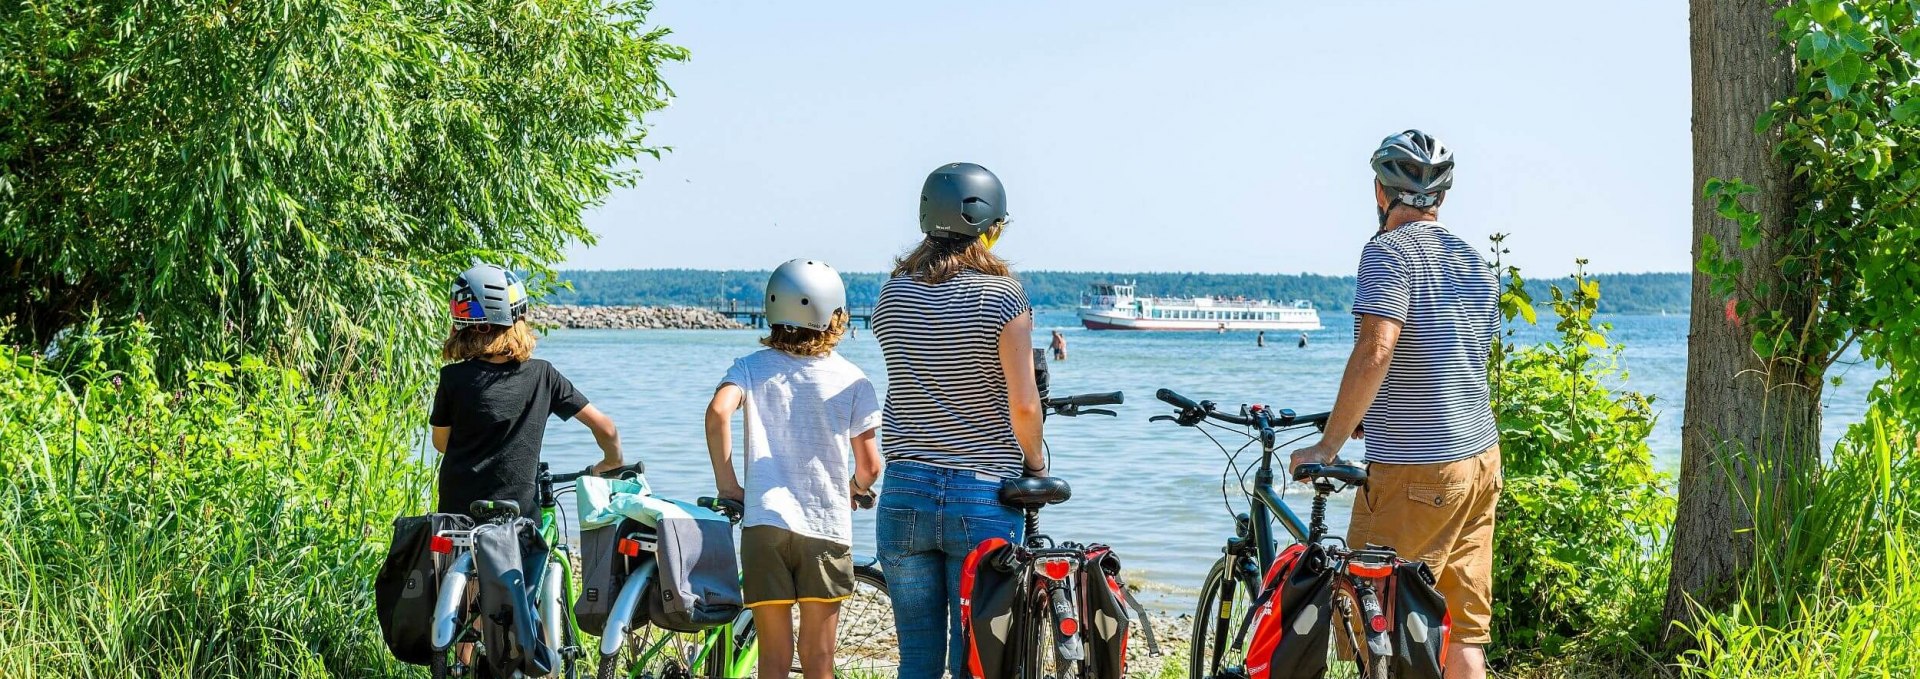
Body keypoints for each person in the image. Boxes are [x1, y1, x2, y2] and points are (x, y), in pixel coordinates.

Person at [1289, 130, 1501, 679]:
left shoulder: (1385, 252)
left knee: (1372, 619)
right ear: (1443, 199)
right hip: (1478, 457)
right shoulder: (1475, 260)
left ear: (1380, 192)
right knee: (1460, 627)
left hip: (1418, 469)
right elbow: (1460, 356)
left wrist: (1329, 443)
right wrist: (1371, 414)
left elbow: (1377, 347)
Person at [871, 162, 1044, 679]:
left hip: (903, 492)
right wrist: (1033, 462)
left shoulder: (893, 292)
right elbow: (1024, 405)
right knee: (976, 661)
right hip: (982, 494)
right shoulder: (1003, 296)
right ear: (987, 224)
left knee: (917, 661)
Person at [705, 259, 883, 679]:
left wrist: (729, 486)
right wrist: (855, 487)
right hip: (824, 525)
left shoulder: (749, 367)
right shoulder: (853, 380)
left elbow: (717, 413)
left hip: (764, 524)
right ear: (835, 315)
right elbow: (871, 467)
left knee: (773, 658)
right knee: (819, 659)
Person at [431, 263, 624, 522]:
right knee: (531, 555)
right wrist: (612, 461)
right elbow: (606, 429)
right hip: (518, 519)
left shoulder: (452, 378)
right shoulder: (544, 375)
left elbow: (442, 443)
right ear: (519, 316)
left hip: (456, 518)